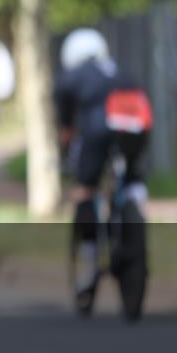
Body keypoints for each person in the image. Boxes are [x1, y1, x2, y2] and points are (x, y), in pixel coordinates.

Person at [53, 28, 152, 315]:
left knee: (86, 189)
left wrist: (67, 136)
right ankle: (135, 200)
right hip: (137, 120)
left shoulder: (73, 75)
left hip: (98, 125)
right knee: (130, 173)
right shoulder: (118, 69)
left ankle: (88, 264)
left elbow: (65, 115)